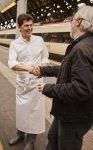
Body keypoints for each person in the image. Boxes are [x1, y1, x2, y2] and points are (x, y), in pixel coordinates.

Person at [32, 6, 93, 150]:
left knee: (66, 146)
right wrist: (43, 70)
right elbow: (69, 70)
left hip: (74, 115)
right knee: (53, 140)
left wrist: (48, 88)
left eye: (72, 20)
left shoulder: (81, 49)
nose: (70, 23)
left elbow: (81, 89)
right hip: (68, 111)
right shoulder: (85, 45)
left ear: (78, 22)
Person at [8, 13, 49, 150]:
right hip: (22, 84)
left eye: (31, 25)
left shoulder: (39, 40)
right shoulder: (15, 44)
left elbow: (45, 57)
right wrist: (28, 68)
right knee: (22, 111)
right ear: (19, 27)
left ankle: (31, 140)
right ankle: (20, 134)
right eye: (26, 25)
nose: (29, 28)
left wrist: (40, 67)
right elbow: (11, 63)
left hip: (36, 83)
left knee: (35, 112)